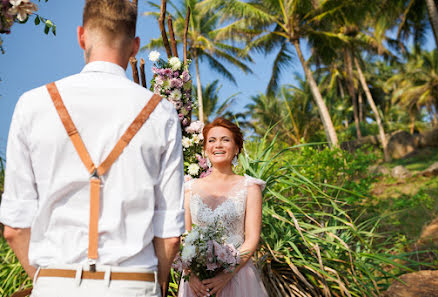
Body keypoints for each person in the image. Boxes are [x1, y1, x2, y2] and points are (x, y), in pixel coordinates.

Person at [0, 1, 184, 297]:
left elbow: (14, 227)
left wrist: (48, 281)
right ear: (135, 46)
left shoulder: (33, 104)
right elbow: (170, 236)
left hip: (55, 284)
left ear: (81, 36)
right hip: (132, 285)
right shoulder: (160, 112)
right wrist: (156, 285)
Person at [178, 117, 269, 297]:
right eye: (211, 140)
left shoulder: (250, 187)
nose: (217, 145)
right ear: (205, 149)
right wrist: (191, 274)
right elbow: (183, 238)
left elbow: (251, 239)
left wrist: (226, 275)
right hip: (197, 282)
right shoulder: (189, 188)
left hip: (238, 278)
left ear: (236, 148)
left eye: (225, 140)